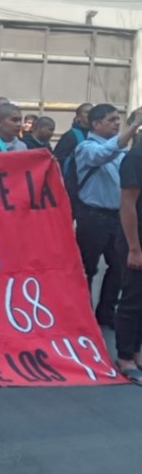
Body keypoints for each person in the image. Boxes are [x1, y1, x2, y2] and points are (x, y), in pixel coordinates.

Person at [74, 105, 142, 328]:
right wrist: (134, 125)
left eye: (118, 119)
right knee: (87, 268)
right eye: (111, 120)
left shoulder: (122, 151)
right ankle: (80, 314)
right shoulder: (85, 147)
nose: (116, 123)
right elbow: (103, 155)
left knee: (118, 268)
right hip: (92, 217)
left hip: (117, 217)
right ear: (95, 124)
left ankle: (106, 312)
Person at [116, 134, 142, 384]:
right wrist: (134, 247)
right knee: (133, 298)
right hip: (135, 239)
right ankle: (124, 356)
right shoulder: (135, 157)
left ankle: (136, 352)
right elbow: (128, 204)